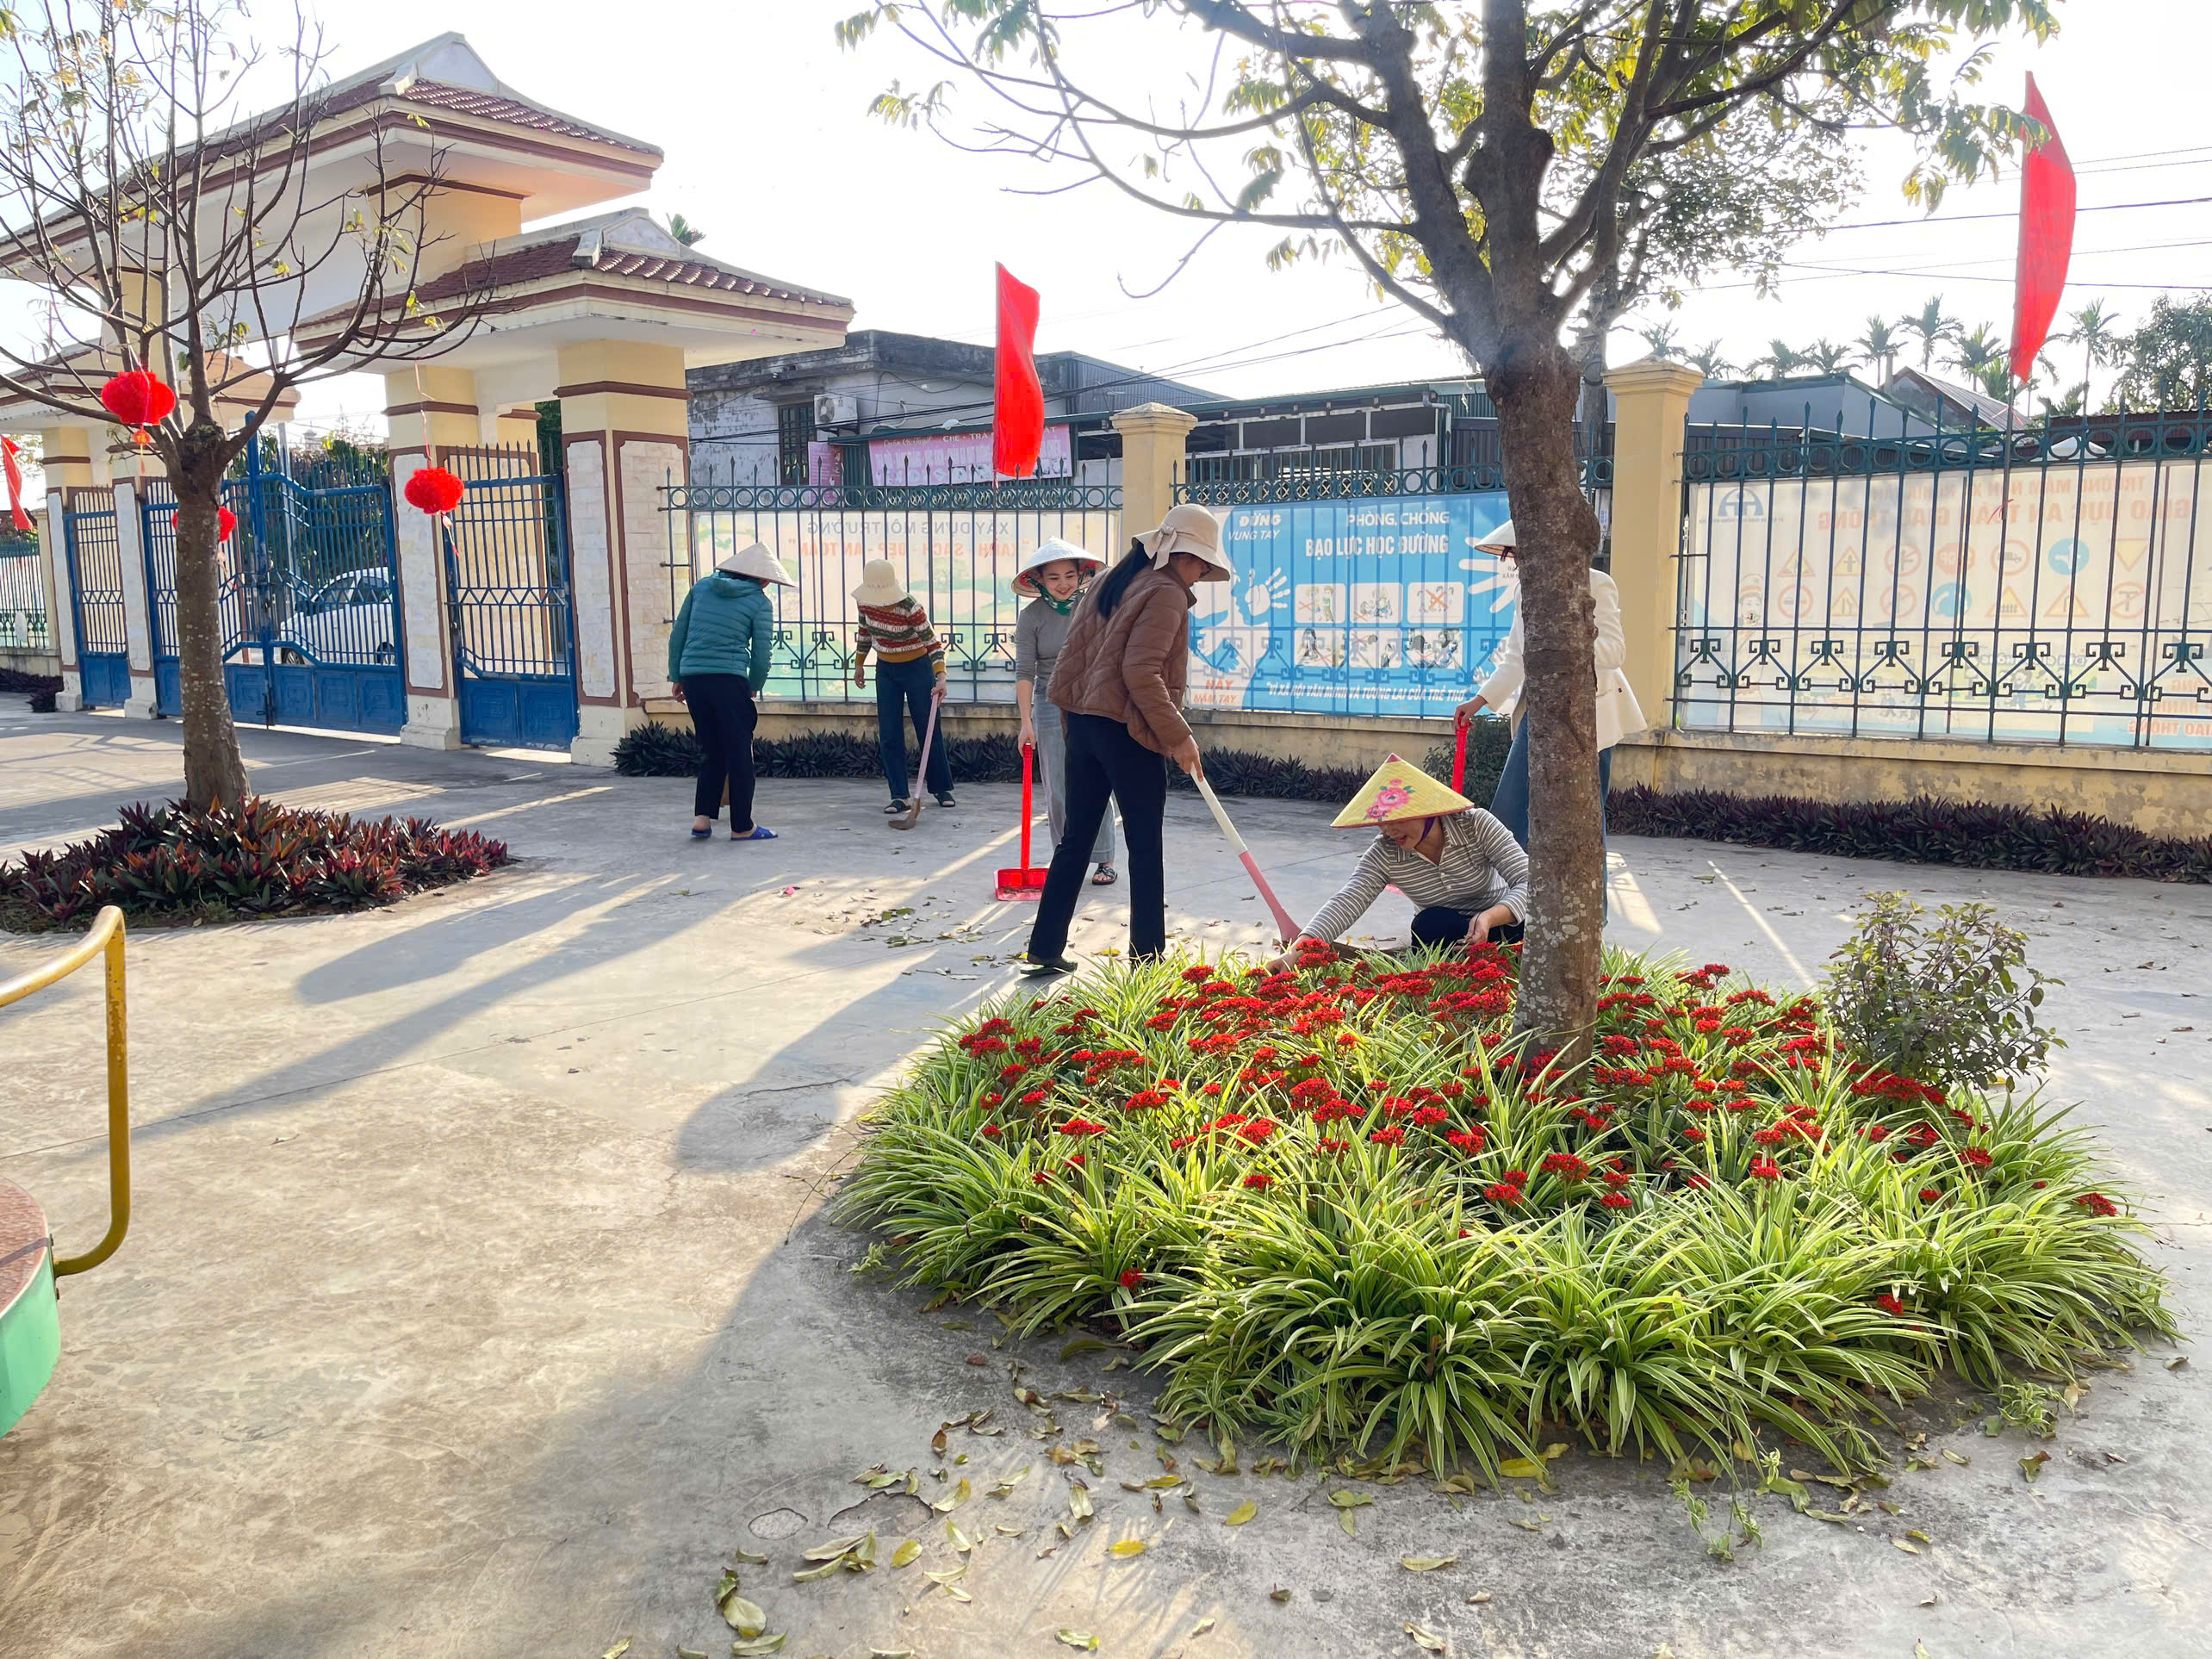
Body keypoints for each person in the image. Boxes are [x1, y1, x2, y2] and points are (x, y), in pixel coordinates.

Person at [1023, 503, 1229, 975]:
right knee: (1145, 846)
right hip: (1128, 731)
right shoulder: (1166, 593)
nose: (1201, 574)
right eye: (1201, 564)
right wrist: (1179, 737)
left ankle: (1045, 947)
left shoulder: (1111, 580)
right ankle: (1148, 962)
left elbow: (1075, 658)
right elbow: (1141, 672)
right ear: (1179, 554)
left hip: (1084, 725)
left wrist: (1076, 723)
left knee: (1075, 840)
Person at [1452, 518, 1645, 852]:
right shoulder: (1523, 592)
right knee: (1510, 811)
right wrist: (1478, 702)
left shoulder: (1596, 583)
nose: (1516, 563)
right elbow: (1516, 659)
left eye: (1520, 553)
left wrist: (1564, 644)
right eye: (1513, 555)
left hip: (1591, 714)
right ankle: (1510, 883)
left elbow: (1615, 651)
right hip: (1539, 709)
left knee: (1587, 819)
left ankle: (1592, 888)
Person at [1269, 755, 1528, 970]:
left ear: (1427, 812)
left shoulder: (1476, 825)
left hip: (1505, 925)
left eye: (1398, 819)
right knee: (1430, 923)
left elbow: (1530, 881)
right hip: (1449, 937)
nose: (1388, 830)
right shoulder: (1385, 853)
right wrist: (1294, 954)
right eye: (1381, 822)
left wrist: (1490, 917)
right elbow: (1346, 902)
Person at [1013, 537, 1116, 887]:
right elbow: (1025, 672)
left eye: (1069, 576)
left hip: (1092, 700)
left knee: (1098, 779)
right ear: (1039, 580)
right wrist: (1026, 722)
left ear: (1082, 575)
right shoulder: (1030, 618)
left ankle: (1105, 859)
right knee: (1058, 786)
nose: (1063, 584)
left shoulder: (1095, 607)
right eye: (1054, 577)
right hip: (1048, 702)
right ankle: (1066, 856)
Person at [668, 541, 789, 842]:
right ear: (761, 578)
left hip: (694, 678)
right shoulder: (759, 603)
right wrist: (754, 685)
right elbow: (762, 653)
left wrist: (677, 675)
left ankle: (702, 819)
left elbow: (678, 634)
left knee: (711, 748)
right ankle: (742, 826)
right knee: (739, 753)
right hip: (729, 680)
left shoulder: (701, 588)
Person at [851, 558, 954, 814]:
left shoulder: (910, 606)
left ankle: (941, 788)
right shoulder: (864, 602)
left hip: (918, 668)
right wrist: (859, 664)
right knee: (889, 732)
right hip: (886, 670)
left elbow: (932, 644)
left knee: (928, 728)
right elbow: (864, 634)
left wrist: (941, 677)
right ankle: (899, 795)